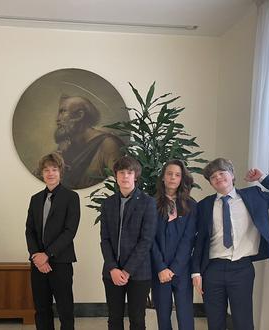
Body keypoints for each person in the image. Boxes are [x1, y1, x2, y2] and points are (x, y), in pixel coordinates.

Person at [191, 158, 269, 330]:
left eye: (221, 173)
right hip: (212, 269)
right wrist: (196, 272)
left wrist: (262, 179)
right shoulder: (204, 206)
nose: (218, 178)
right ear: (210, 183)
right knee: (215, 322)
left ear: (232, 175)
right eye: (213, 177)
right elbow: (199, 240)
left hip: (241, 269)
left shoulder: (254, 196)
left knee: (243, 321)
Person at [100, 155, 157, 330]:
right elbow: (105, 239)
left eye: (129, 172)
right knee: (114, 318)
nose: (125, 176)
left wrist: (126, 270)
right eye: (121, 172)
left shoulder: (148, 203)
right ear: (116, 176)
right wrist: (113, 268)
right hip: (112, 272)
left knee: (137, 319)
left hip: (139, 273)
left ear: (136, 176)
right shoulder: (108, 204)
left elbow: (146, 241)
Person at [25, 153, 80, 330]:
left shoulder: (71, 197)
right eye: (46, 170)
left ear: (60, 172)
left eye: (54, 170)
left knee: (65, 309)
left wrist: (47, 255)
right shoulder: (35, 199)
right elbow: (30, 230)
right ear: (42, 173)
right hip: (38, 263)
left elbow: (69, 231)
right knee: (41, 308)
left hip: (61, 261)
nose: (50, 173)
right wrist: (36, 256)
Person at [150, 160, 197, 330]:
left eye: (177, 175)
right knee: (163, 315)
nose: (173, 177)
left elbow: (188, 239)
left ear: (181, 179)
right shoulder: (151, 204)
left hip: (182, 269)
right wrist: (161, 267)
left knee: (185, 315)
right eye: (169, 173)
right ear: (163, 177)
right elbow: (149, 239)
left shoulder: (191, 205)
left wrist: (175, 268)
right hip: (159, 269)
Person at [54, 95, 124, 189]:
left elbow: (120, 183)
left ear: (80, 115)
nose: (57, 119)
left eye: (63, 112)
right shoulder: (67, 148)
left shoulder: (108, 145)